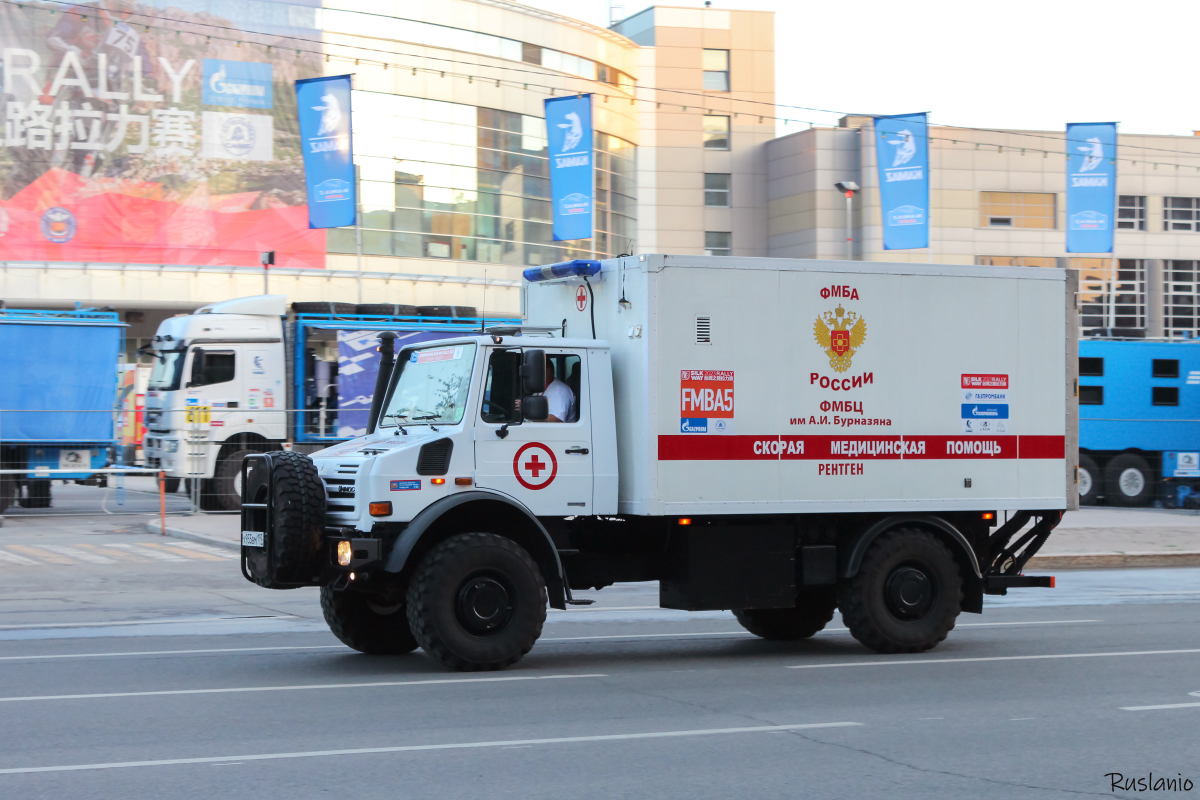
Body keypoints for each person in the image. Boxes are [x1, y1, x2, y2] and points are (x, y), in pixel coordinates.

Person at [538, 357, 577, 422]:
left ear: (548, 370)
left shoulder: (559, 389)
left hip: (559, 432)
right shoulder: (539, 387)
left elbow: (556, 419)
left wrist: (531, 416)